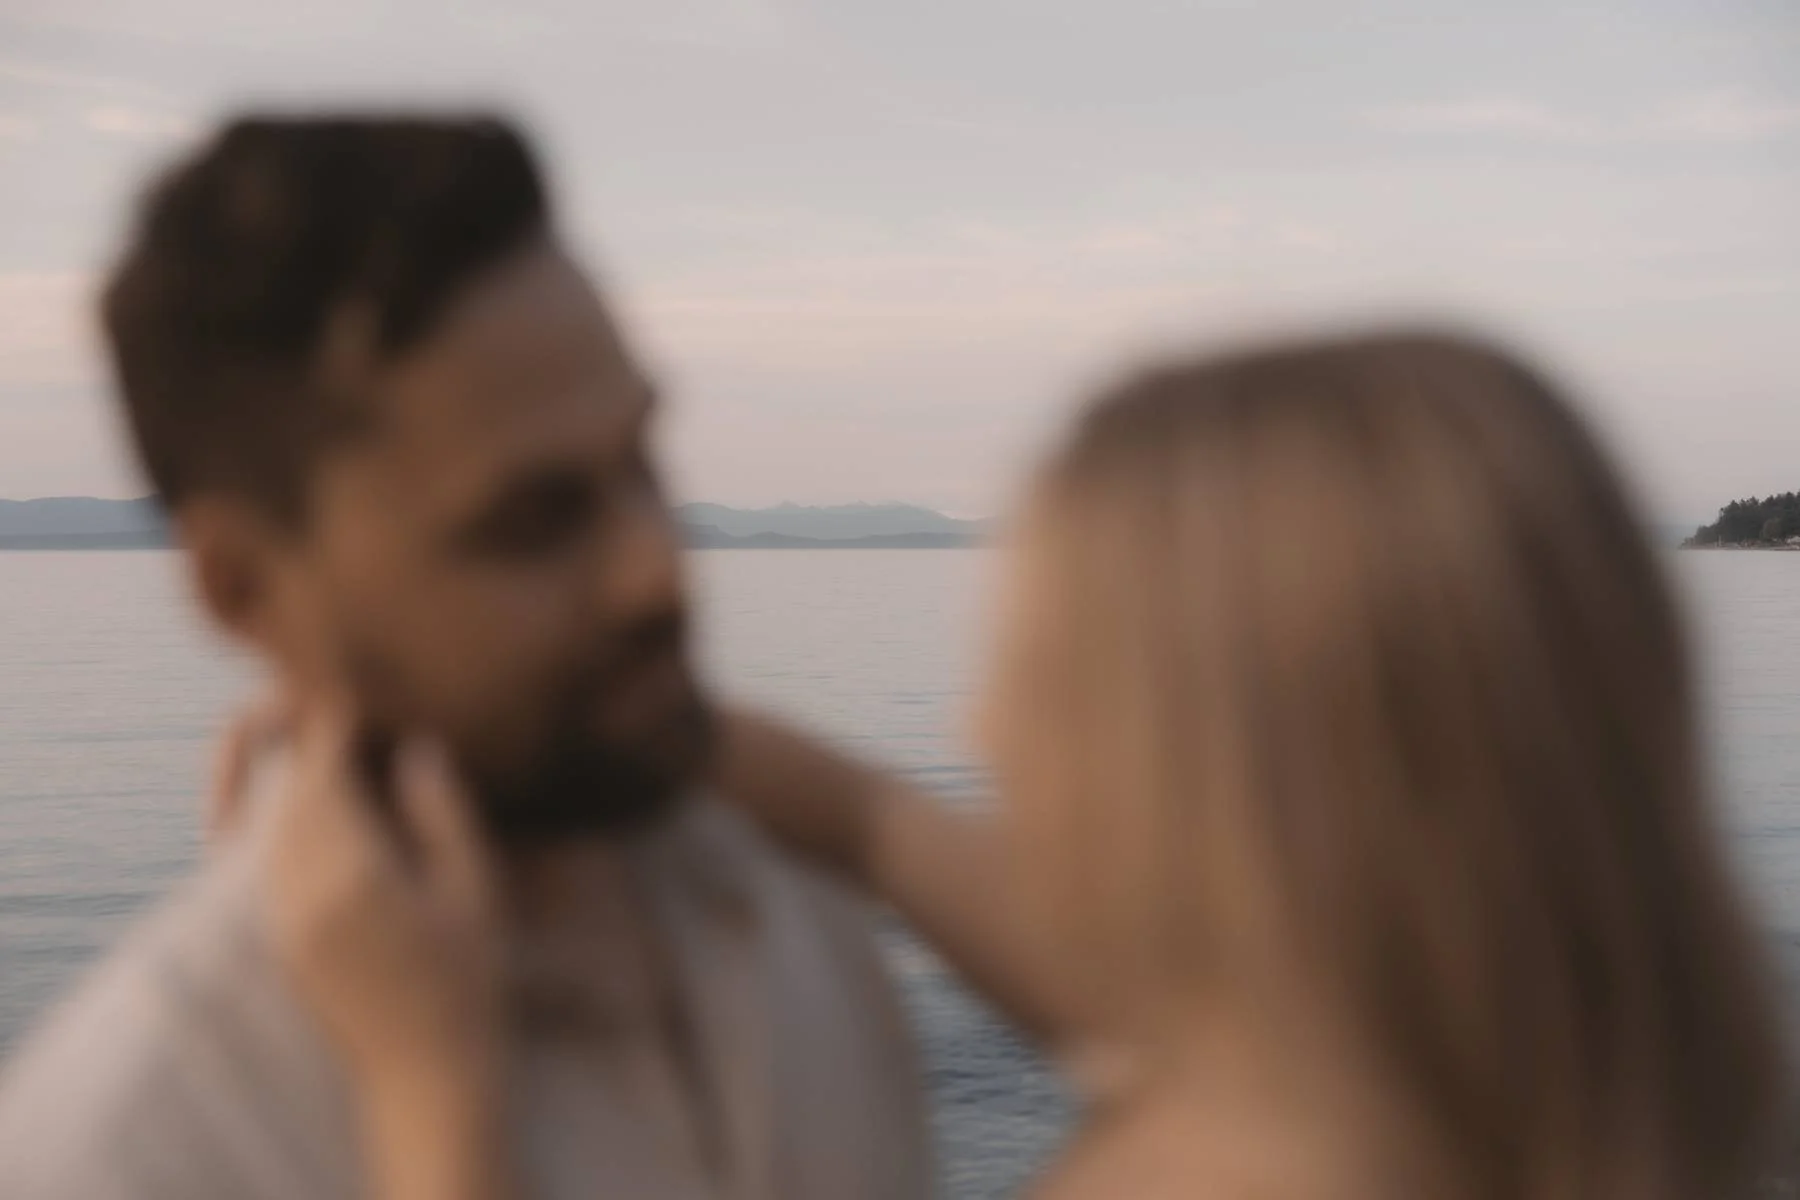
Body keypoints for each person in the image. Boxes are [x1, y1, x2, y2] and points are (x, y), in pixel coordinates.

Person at [272, 332, 1789, 1199]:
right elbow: (907, 836)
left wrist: (432, 1099)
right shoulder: (1652, 1074)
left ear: (1227, 778)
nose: (985, 734)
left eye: (1048, 678)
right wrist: (647, 723)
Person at [0, 115, 929, 1200]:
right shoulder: (134, 1151)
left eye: (642, 460)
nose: (658, 571)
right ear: (243, 588)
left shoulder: (790, 920)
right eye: (534, 519)